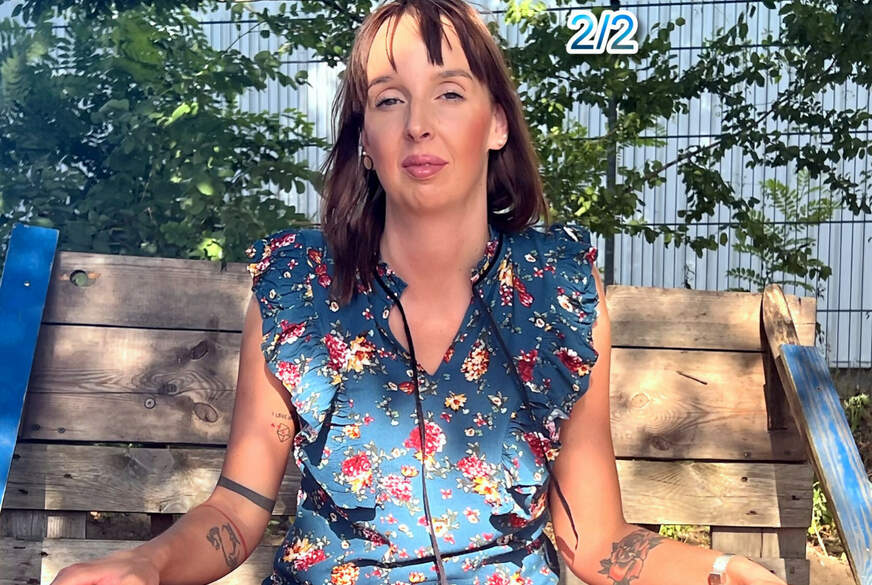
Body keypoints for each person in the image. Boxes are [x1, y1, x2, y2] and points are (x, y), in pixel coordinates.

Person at [49, 1, 794, 584]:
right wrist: (148, 564)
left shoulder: (559, 294)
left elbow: (594, 538)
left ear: (496, 123)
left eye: (449, 93)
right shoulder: (297, 289)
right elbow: (236, 510)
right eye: (388, 101)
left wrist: (722, 570)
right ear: (365, 143)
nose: (418, 126)